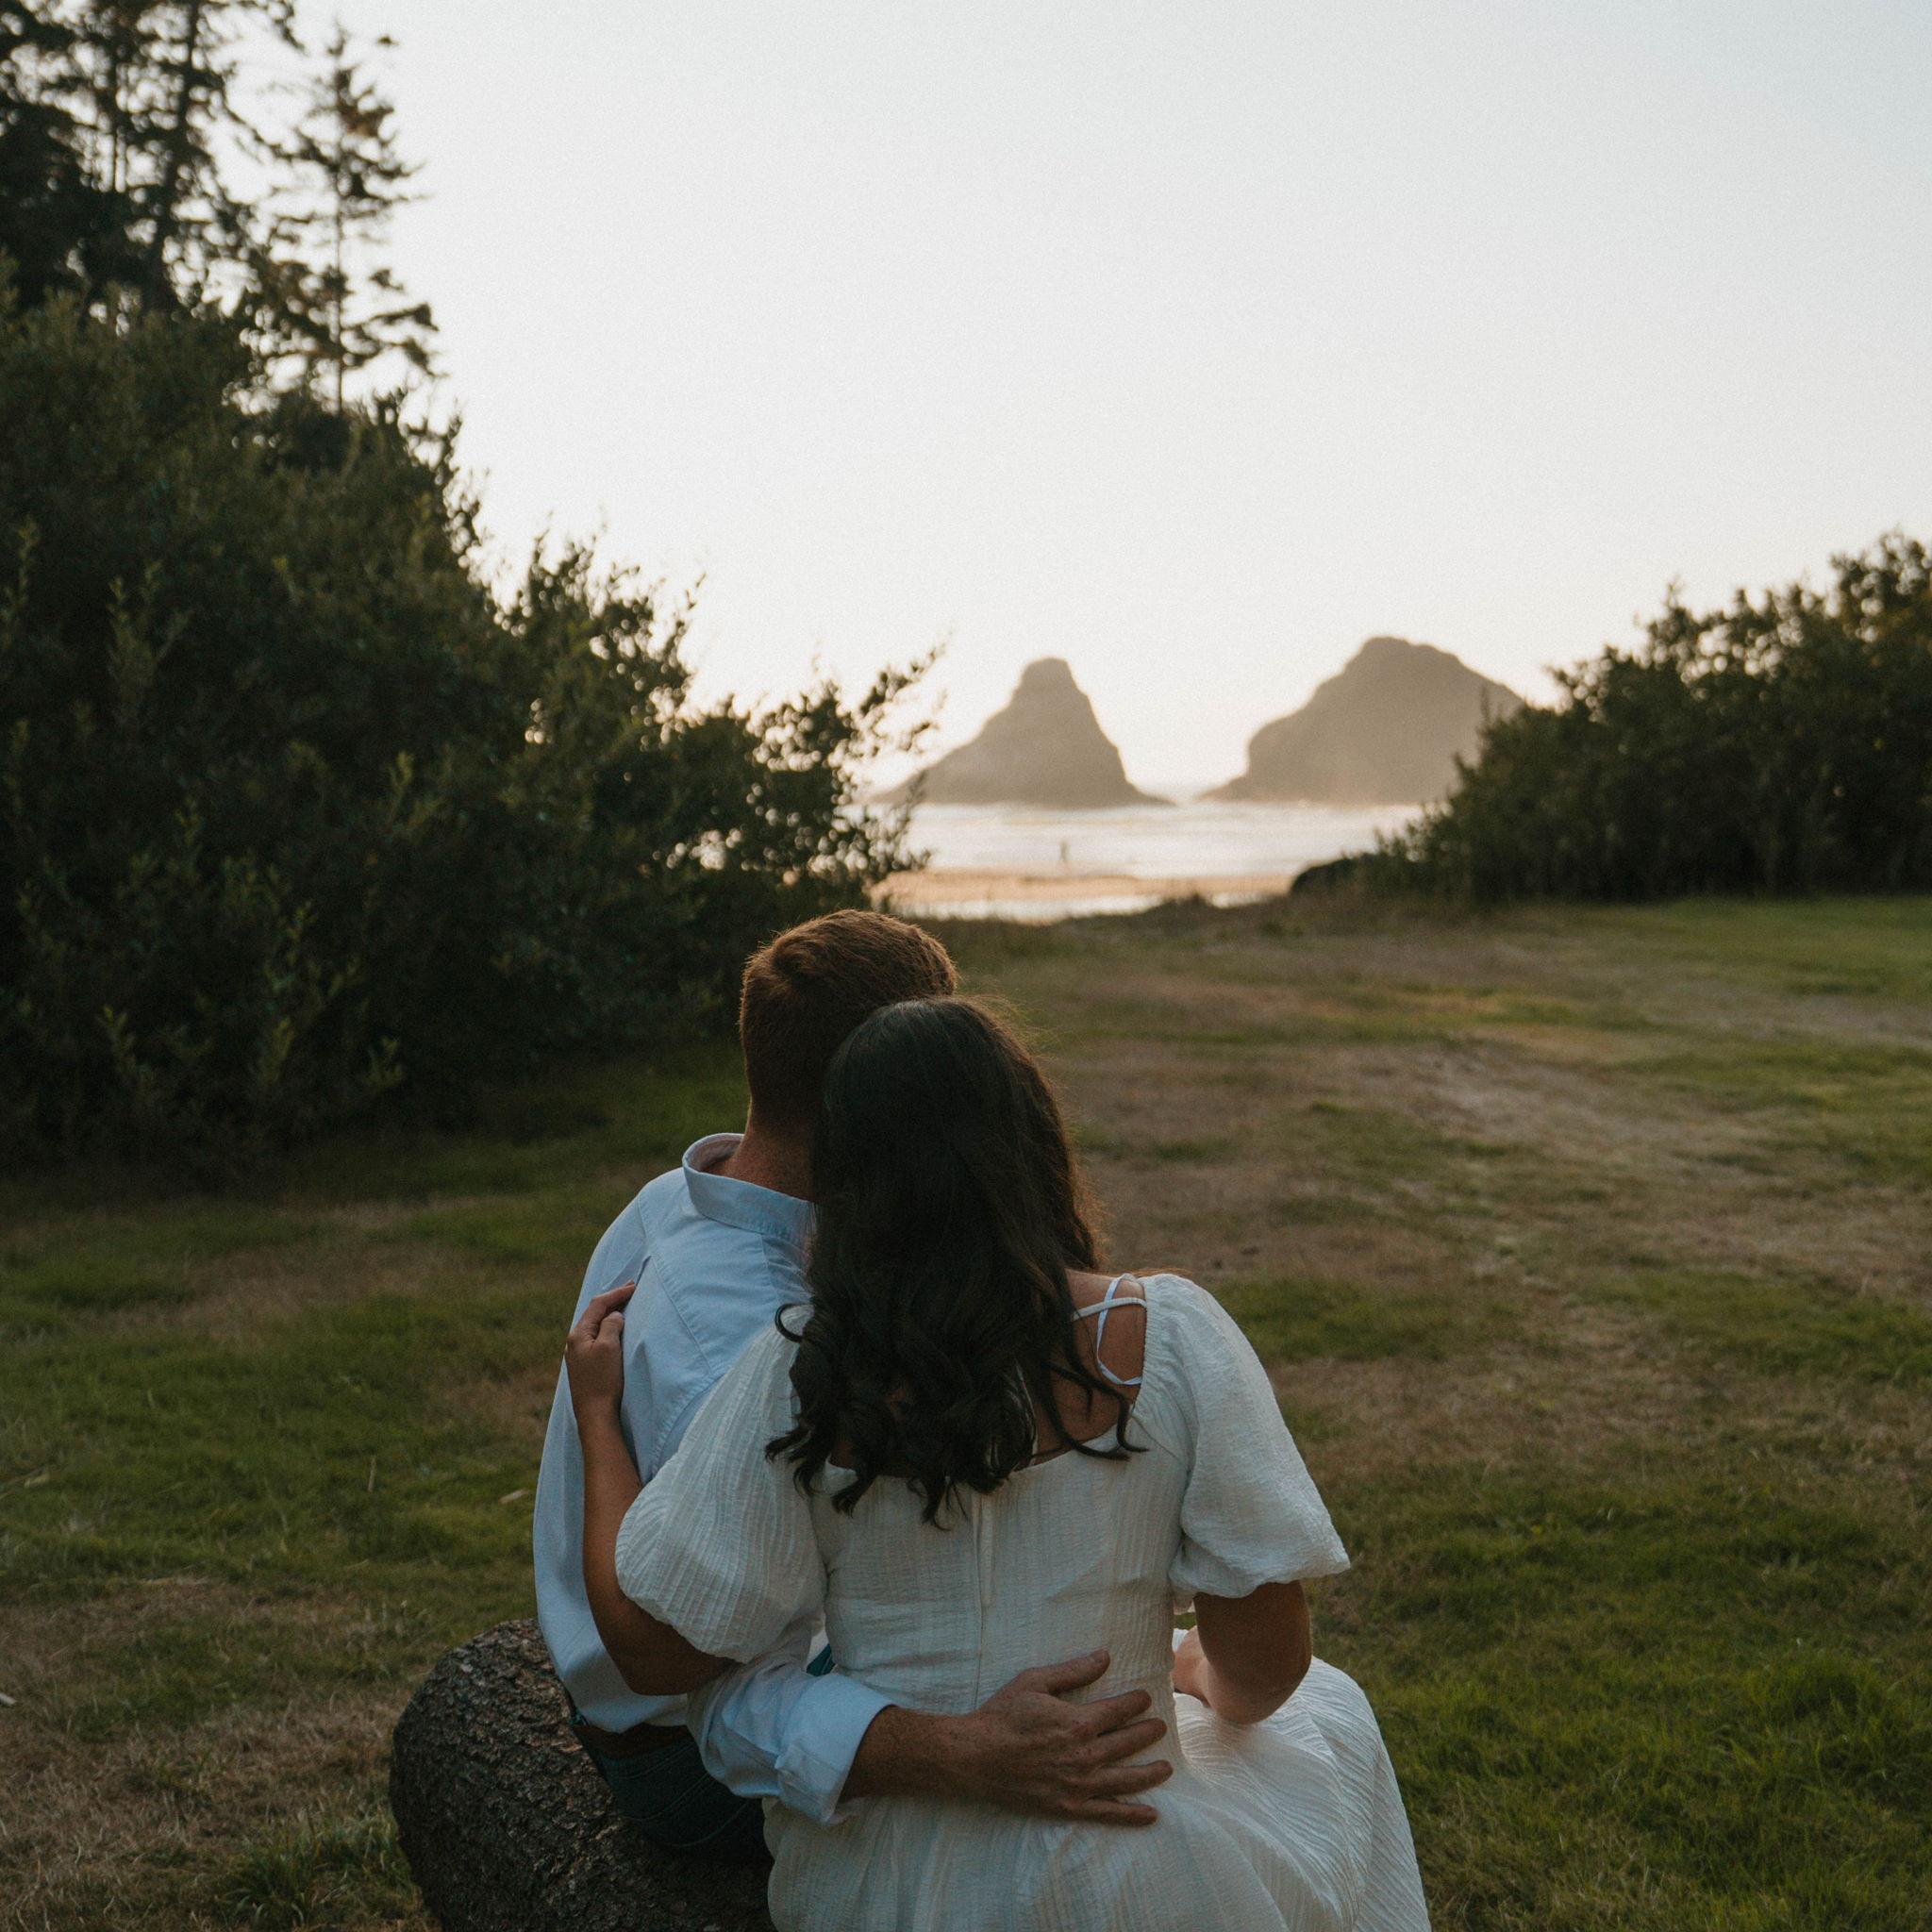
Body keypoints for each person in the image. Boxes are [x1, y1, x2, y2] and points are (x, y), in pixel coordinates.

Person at [567, 994, 1432, 1931]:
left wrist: (598, 1417)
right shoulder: (1172, 1335)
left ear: (846, 1182)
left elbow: (652, 1651)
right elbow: (1267, 1665)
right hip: (1138, 1842)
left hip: (887, 1889)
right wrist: (1194, 1674)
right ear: (1032, 1147)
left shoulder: (797, 1370)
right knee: (1329, 1713)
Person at [532, 911, 1173, 1862]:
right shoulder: (757, 1344)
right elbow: (692, 1663)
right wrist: (965, 1749)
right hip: (687, 1761)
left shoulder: (677, 1194)